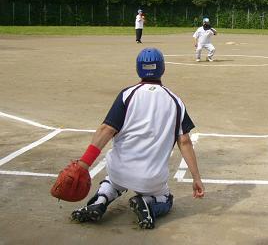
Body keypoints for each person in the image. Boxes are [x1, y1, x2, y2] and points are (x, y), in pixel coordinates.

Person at [70, 48, 204, 229]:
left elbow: (106, 129)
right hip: (151, 178)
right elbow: (185, 141)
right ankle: (148, 202)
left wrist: (84, 164)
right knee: (166, 198)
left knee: (112, 181)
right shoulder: (175, 101)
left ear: (138, 69)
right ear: (162, 68)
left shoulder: (127, 94)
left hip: (119, 171)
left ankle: (99, 200)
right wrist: (196, 178)